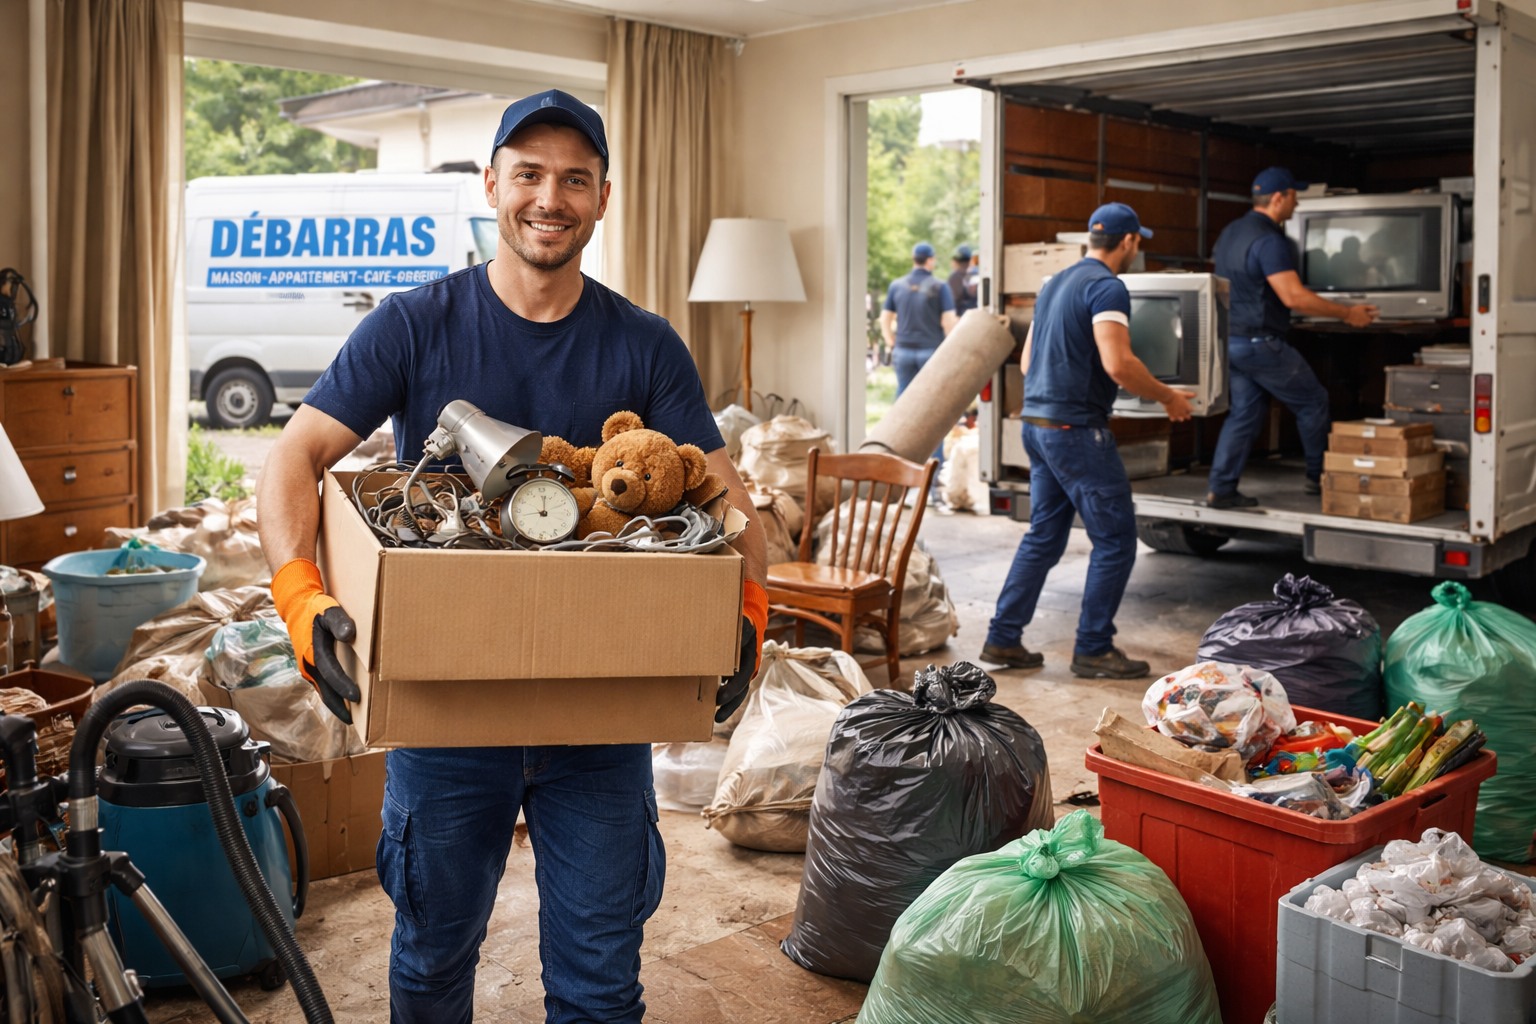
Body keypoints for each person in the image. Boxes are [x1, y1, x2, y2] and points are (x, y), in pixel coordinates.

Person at [255, 90, 769, 1024]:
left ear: (604, 199)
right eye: (529, 173)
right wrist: (300, 598)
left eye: (575, 179)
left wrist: (750, 616)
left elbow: (729, 504)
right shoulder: (413, 326)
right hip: (449, 719)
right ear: (492, 184)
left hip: (601, 721)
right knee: (430, 968)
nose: (550, 197)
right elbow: (293, 458)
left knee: (601, 988)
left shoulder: (645, 345)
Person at [980, 204, 1194, 679]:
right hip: (1075, 432)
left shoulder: (1053, 283)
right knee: (1116, 541)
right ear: (1130, 242)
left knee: (1044, 536)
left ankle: (1002, 639)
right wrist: (1168, 397)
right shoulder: (1106, 286)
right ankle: (1094, 649)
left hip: (1036, 426)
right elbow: (1117, 363)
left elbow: (1029, 362)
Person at [1205, 167, 1379, 509]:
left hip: (1232, 343)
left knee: (1244, 414)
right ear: (1277, 198)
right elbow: (1293, 297)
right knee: (1313, 401)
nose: (1296, 205)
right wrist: (1348, 312)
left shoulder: (1229, 232)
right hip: (1260, 345)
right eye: (1294, 197)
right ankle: (1319, 479)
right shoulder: (1269, 240)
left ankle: (1221, 488)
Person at [881, 241, 958, 500]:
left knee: (902, 415)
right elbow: (949, 323)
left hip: (903, 352)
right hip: (930, 353)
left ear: (914, 259)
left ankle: (895, 480)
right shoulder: (939, 287)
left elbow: (885, 319)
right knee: (932, 416)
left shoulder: (897, 285)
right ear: (931, 260)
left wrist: (892, 342)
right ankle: (932, 486)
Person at [949, 244, 978, 316]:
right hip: (977, 318)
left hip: (961, 320)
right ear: (970, 260)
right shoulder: (977, 274)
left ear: (955, 261)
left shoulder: (954, 278)